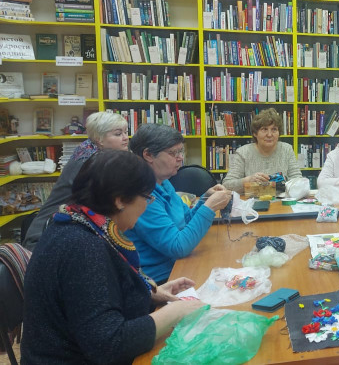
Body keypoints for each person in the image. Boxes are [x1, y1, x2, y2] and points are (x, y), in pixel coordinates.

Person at [22, 150, 205, 363]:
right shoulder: (82, 247)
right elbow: (109, 344)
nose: (147, 205)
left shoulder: (76, 222)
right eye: (146, 197)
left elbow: (91, 300)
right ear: (119, 200)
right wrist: (176, 311)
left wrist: (148, 294)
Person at [126, 123, 232, 284]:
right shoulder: (141, 195)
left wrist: (205, 199)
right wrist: (210, 207)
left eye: (180, 151)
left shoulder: (163, 182)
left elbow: (185, 220)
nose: (180, 157)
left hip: (179, 266)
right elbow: (178, 247)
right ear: (148, 155)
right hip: (160, 280)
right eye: (172, 153)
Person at [23, 111, 129, 250]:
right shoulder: (89, 161)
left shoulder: (90, 149)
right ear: (100, 139)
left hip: (65, 230)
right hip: (45, 239)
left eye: (126, 132)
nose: (125, 138)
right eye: (118, 134)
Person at [222, 108, 301, 193]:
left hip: (282, 200)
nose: (269, 135)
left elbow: (298, 180)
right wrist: (248, 180)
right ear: (255, 133)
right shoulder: (243, 152)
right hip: (251, 200)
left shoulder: (287, 149)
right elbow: (226, 185)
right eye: (264, 129)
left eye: (274, 129)